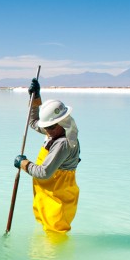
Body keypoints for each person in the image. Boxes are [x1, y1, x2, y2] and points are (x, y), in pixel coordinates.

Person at [13, 78, 81, 234]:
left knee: (55, 232)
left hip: (58, 194)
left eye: (50, 127)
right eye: (47, 127)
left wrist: (23, 163)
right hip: (47, 192)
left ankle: (54, 258)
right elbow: (33, 122)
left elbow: (44, 173)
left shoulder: (63, 143)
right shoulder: (57, 129)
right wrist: (35, 98)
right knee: (44, 228)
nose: (46, 131)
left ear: (61, 121)